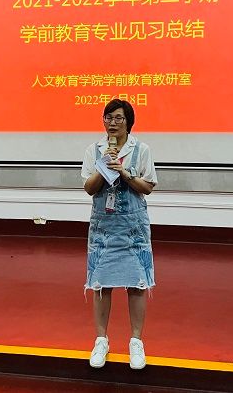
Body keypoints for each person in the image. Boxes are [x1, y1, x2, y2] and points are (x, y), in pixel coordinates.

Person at [80, 99, 158, 370]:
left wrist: (124, 172)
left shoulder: (142, 149)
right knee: (101, 283)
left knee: (137, 283)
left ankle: (136, 341)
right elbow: (89, 188)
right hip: (104, 226)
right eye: (108, 118)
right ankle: (101, 340)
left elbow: (147, 187)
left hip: (132, 226)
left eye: (118, 118)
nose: (112, 123)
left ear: (128, 122)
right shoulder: (94, 150)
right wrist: (105, 166)